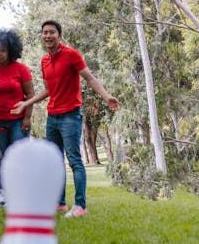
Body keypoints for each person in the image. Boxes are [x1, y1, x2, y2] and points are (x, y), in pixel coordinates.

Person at [11, 20, 119, 218]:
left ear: (59, 35)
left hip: (70, 115)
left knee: (75, 161)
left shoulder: (71, 55)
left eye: (52, 32)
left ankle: (80, 206)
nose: (48, 36)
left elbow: (89, 78)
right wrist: (26, 104)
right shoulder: (44, 61)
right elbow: (48, 90)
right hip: (53, 117)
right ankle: (59, 203)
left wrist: (106, 96)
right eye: (45, 33)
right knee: (54, 161)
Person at [0, 29, 34, 207]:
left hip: (18, 121)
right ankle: (3, 195)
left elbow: (30, 94)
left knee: (19, 158)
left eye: (2, 51)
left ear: (10, 51)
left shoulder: (21, 69)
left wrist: (27, 117)